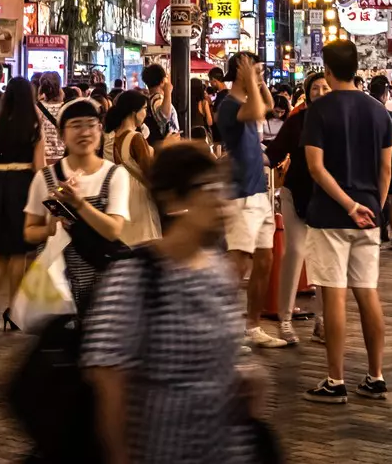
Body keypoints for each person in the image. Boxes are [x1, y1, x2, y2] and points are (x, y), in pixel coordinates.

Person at [85, 142, 254, 464]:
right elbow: (109, 383)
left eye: (224, 187)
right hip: (162, 450)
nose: (223, 202)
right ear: (174, 200)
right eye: (209, 188)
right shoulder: (133, 277)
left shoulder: (219, 271)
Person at [301, 39, 392, 404]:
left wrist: (347, 203)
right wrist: (371, 206)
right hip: (368, 216)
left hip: (328, 215)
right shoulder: (379, 112)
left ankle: (335, 379)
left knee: (334, 296)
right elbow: (386, 169)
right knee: (367, 293)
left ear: (327, 69)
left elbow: (315, 168)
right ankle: (375, 375)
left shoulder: (319, 111)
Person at [23, 99, 129, 312]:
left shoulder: (114, 175)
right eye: (76, 125)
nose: (85, 132)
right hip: (57, 287)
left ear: (100, 130)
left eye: (91, 124)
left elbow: (113, 230)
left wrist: (79, 204)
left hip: (104, 282)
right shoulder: (45, 178)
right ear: (62, 134)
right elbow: (29, 232)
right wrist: (49, 229)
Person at [213, 52, 282, 348]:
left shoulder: (247, 100)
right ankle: (223, 327)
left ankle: (252, 326)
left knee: (264, 259)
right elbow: (256, 111)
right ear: (241, 72)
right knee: (239, 263)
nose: (260, 73)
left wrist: (259, 80)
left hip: (258, 192)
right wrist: (251, 78)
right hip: (240, 193)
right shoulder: (228, 105)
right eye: (256, 69)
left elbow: (266, 107)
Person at [0, 75, 46, 326]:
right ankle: (14, 309)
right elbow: (40, 167)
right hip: (22, 186)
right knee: (18, 252)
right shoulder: (34, 127)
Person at [265, 71, 328, 344]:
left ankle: (323, 320)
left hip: (327, 198)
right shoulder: (297, 122)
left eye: (326, 87)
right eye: (316, 88)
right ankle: (285, 320)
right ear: (307, 92)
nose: (321, 92)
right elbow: (274, 154)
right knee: (295, 253)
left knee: (326, 260)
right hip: (296, 194)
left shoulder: (339, 121)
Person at [101, 89, 160, 245]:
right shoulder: (136, 137)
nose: (146, 114)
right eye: (145, 109)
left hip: (123, 196)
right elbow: (149, 172)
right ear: (134, 112)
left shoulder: (114, 137)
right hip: (140, 200)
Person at [364, 75, 392, 253]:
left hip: (367, 163)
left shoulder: (363, 113)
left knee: (371, 200)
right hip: (389, 161)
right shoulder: (389, 116)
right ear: (385, 94)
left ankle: (374, 239)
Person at [141, 62, 178, 144]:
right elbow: (164, 117)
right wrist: (168, 92)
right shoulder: (158, 99)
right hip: (167, 146)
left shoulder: (150, 98)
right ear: (162, 80)